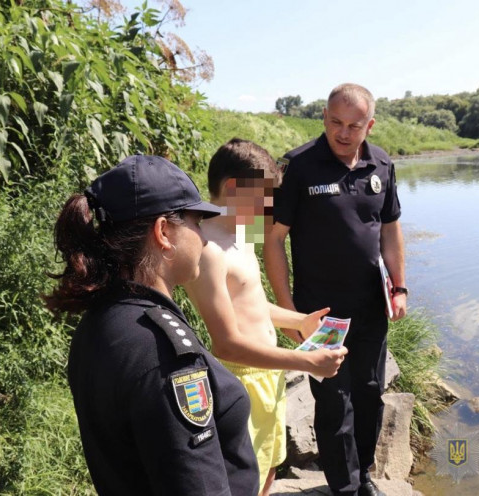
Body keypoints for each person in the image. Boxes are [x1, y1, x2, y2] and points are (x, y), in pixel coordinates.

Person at [44, 155, 260, 496]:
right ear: (163, 232)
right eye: (197, 223)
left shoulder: (101, 321)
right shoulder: (162, 354)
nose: (204, 239)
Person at [264, 83, 407, 496]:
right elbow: (273, 240)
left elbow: (392, 229)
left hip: (372, 308)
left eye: (354, 125)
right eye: (335, 123)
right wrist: (289, 313)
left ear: (370, 125)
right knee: (332, 404)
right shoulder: (297, 166)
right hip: (320, 315)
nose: (343, 133)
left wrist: (400, 288)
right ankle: (343, 488)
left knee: (369, 395)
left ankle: (363, 477)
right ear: (323, 118)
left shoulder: (381, 164)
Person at [184, 138, 348, 496]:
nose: (269, 206)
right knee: (243, 477)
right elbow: (226, 344)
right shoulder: (206, 249)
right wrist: (307, 363)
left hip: (270, 375)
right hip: (240, 380)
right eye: (263, 196)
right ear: (231, 188)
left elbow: (252, 303)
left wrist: (299, 321)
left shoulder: (242, 231)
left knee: (271, 463)